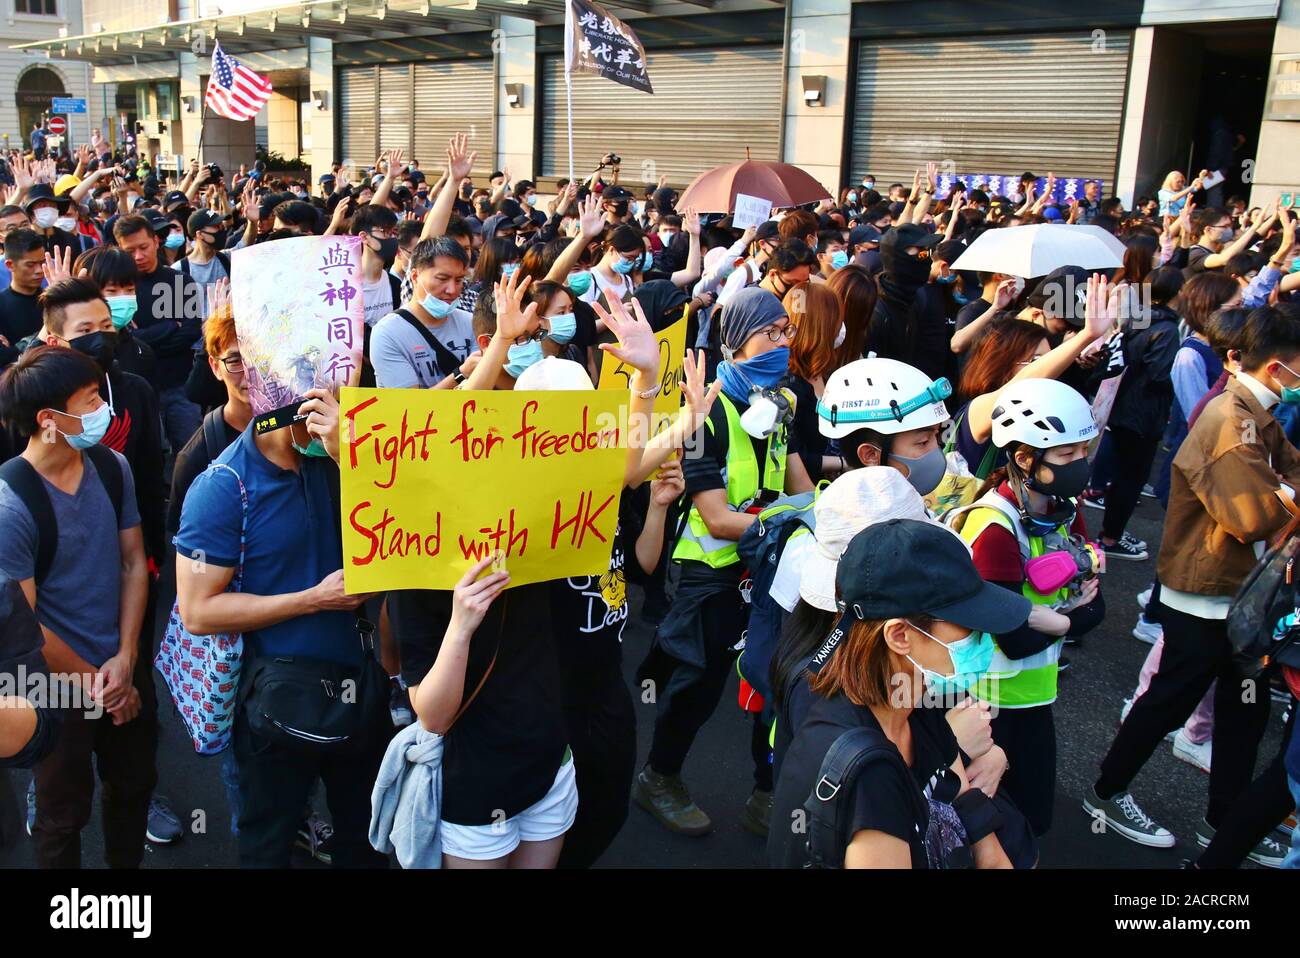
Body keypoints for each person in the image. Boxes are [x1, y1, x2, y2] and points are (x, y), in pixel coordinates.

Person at [1086, 307, 1300, 857]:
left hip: (1238, 590)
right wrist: (1284, 493)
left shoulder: (1257, 411)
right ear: (1277, 367)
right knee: (1170, 700)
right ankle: (1107, 792)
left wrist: (1281, 488)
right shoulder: (1233, 418)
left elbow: (1288, 475)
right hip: (1204, 589)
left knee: (1245, 709)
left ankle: (1226, 821)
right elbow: (1249, 516)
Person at [174, 382, 389, 868]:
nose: (338, 407)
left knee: (368, 833)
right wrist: (312, 600)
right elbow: (198, 610)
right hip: (272, 702)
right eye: (323, 397)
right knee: (269, 841)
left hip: (357, 685)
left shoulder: (333, 459)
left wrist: (347, 455)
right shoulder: (224, 485)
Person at [634, 286, 814, 838]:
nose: (782, 344)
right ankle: (659, 777)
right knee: (700, 684)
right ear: (735, 342)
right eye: (769, 333)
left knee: (776, 684)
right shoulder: (703, 417)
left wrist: (825, 510)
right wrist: (791, 520)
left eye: (785, 332)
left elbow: (803, 489)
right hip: (709, 576)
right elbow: (715, 518)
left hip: (768, 571)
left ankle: (767, 792)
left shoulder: (777, 405)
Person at [769, 518, 1028, 868]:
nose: (984, 639)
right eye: (969, 625)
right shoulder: (867, 774)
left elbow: (985, 842)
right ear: (900, 636)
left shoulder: (916, 705)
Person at [0, 346, 154, 868]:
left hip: (122, 669)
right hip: (58, 685)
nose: (103, 410)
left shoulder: (112, 467)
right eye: (90, 401)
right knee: (62, 815)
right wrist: (104, 685)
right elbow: (25, 628)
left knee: (132, 789)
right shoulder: (10, 505)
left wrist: (127, 659)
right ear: (49, 420)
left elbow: (134, 563)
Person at [949, 378, 1103, 836]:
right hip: (990, 708)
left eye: (1084, 451)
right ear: (1023, 458)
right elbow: (1014, 639)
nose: (1081, 464)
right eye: (1067, 454)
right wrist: (1071, 618)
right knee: (988, 831)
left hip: (1035, 699)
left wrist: (1057, 620)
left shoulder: (1063, 507)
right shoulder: (994, 526)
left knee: (1031, 825)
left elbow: (1099, 609)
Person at [1092, 266, 1182, 562]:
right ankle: (1111, 537)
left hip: (1122, 405)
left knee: (1121, 475)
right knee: (1131, 478)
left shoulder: (1139, 316)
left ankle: (1110, 530)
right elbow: (1160, 375)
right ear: (1177, 294)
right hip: (1144, 415)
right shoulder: (1167, 330)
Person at [113, 213, 203, 457]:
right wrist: (170, 326)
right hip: (137, 386)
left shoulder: (180, 281)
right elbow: (124, 339)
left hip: (180, 384)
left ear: (155, 241)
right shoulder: (119, 291)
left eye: (143, 247)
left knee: (189, 451)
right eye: (130, 250)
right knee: (149, 455)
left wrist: (143, 337)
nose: (139, 256)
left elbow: (190, 330)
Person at [369, 236, 476, 388]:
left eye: (458, 280)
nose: (452, 290)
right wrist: (461, 373)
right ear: (415, 276)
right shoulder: (387, 332)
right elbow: (411, 407)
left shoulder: (470, 323)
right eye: (442, 278)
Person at [783, 281, 844, 481]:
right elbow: (792, 456)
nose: (841, 327)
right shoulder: (787, 386)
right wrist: (843, 463)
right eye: (837, 320)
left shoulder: (825, 373)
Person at [0, 230, 47, 364]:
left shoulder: (52, 301)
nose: (39, 270)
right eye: (30, 265)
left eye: (42, 262)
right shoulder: (2, 305)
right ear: (10, 265)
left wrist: (16, 348)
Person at [174, 208, 230, 319]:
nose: (221, 230)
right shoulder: (179, 269)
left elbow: (245, 243)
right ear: (199, 234)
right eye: (216, 227)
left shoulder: (226, 258)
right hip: (196, 334)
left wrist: (252, 223)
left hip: (225, 330)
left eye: (221, 226)